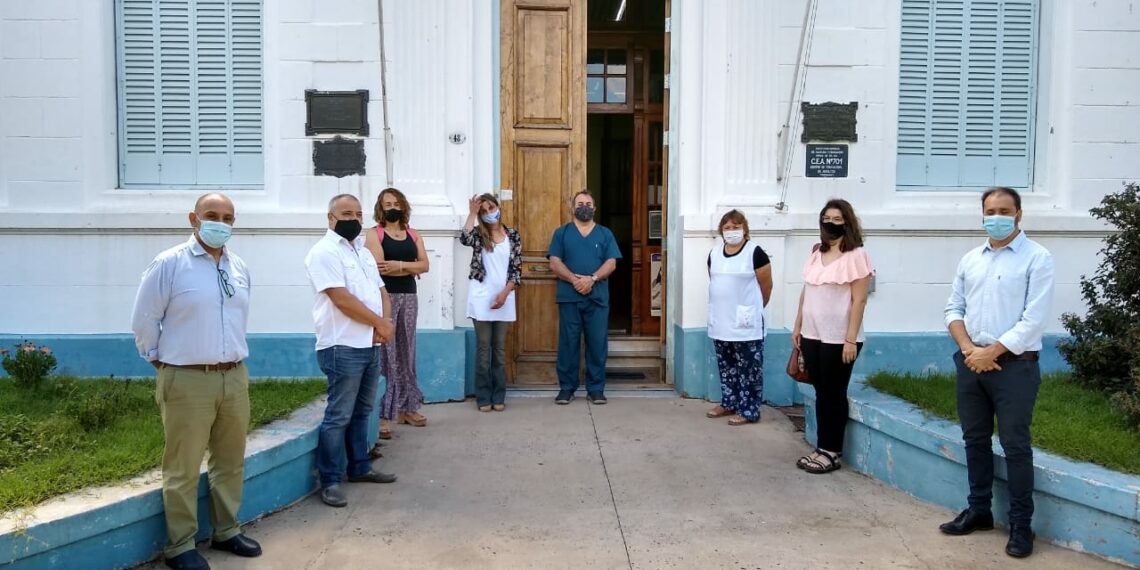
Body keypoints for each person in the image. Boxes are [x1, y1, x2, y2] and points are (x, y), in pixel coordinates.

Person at [130, 193, 262, 570]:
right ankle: (181, 545)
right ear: (194, 218)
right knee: (183, 465)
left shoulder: (238, 266)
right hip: (186, 378)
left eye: (227, 217)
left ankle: (226, 530)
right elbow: (144, 320)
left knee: (230, 460)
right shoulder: (170, 264)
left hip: (233, 377)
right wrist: (159, 359)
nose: (220, 222)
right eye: (211, 215)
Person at [939, 187, 1055, 559]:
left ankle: (1022, 525)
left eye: (1005, 210)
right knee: (974, 440)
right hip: (971, 362)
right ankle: (979, 510)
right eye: (991, 210)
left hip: (1015, 367)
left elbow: (1032, 320)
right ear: (982, 214)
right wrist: (971, 351)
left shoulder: (1038, 259)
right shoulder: (971, 259)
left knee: (1015, 445)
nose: (997, 216)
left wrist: (993, 351)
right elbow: (953, 309)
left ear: (1019, 214)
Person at [305, 194, 398, 509]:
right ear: (330, 217)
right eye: (346, 213)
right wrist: (378, 324)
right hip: (341, 345)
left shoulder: (363, 252)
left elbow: (380, 291)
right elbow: (340, 298)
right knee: (338, 415)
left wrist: (383, 323)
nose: (354, 219)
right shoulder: (323, 252)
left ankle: (359, 467)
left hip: (370, 343)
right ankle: (330, 480)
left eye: (359, 214)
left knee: (362, 411)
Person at [792, 198, 873, 474]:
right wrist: (798, 327)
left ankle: (831, 451)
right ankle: (821, 446)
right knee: (820, 391)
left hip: (840, 339)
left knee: (834, 393)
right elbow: (807, 292)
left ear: (847, 222)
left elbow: (859, 301)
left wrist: (850, 339)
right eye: (827, 218)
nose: (831, 223)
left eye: (838, 219)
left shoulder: (857, 256)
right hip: (812, 334)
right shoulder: (816, 253)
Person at [363, 187, 430, 440]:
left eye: (396, 202)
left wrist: (401, 265)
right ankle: (382, 414)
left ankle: (407, 407)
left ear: (403, 205)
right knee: (386, 353)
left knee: (407, 350)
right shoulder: (374, 234)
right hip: (385, 297)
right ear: (381, 207)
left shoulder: (412, 234)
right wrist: (410, 267)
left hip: (409, 296)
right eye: (387, 203)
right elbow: (380, 269)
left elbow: (425, 264)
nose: (392, 207)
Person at [547, 190, 622, 405]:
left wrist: (592, 278)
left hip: (597, 298)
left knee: (597, 344)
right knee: (568, 344)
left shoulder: (605, 234)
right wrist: (574, 280)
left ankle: (596, 389)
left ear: (595, 208)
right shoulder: (561, 233)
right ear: (573, 208)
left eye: (588, 203)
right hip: (569, 297)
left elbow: (611, 263)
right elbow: (554, 262)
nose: (584, 207)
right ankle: (567, 388)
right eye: (580, 203)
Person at [705, 210, 773, 425]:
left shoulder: (755, 253)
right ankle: (729, 402)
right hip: (721, 321)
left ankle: (749, 410)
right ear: (721, 231)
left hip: (745, 323)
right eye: (727, 228)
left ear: (744, 229)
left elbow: (766, 287)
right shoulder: (714, 254)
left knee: (749, 369)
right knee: (727, 366)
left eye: (735, 227)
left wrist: (752, 309)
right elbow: (714, 280)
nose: (731, 231)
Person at [460, 193, 522, 412]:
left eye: (491, 208)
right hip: (481, 298)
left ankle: (499, 396)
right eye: (484, 210)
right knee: (484, 349)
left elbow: (516, 270)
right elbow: (464, 238)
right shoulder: (478, 234)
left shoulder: (513, 235)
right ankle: (483, 397)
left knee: (499, 350)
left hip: (504, 297)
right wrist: (472, 214)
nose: (489, 213)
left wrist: (504, 294)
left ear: (498, 207)